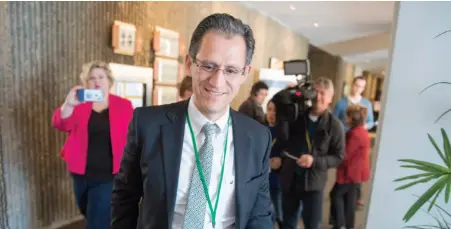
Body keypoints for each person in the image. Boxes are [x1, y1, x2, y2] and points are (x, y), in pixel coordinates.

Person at [111, 13, 273, 229]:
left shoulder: (258, 138)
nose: (217, 81)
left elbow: (259, 214)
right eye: (208, 65)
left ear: (244, 74)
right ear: (189, 64)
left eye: (231, 70)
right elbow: (124, 197)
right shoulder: (148, 125)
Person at [51, 61, 134, 229]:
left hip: (109, 176)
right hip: (80, 173)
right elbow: (60, 124)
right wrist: (68, 104)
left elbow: (133, 136)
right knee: (88, 211)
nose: (97, 81)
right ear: (86, 82)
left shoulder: (123, 105)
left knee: (97, 219)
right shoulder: (79, 104)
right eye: (92, 78)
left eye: (101, 77)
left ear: (109, 81)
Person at [279, 77, 345, 229]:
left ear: (330, 98)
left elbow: (338, 157)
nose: (318, 97)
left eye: (322, 93)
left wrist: (314, 161)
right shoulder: (297, 115)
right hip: (291, 179)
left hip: (313, 184)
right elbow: (282, 131)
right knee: (287, 223)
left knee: (312, 225)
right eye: (315, 92)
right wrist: (289, 95)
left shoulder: (335, 126)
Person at [333, 76, 374, 208]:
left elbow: (371, 121)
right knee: (344, 166)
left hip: (358, 139)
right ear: (352, 84)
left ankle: (356, 196)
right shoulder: (341, 103)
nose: (358, 88)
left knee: (356, 167)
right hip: (343, 137)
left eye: (362, 86)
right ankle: (344, 193)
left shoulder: (367, 104)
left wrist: (360, 128)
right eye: (356, 85)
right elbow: (334, 120)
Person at [330, 104, 371, 229]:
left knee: (335, 195)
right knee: (350, 202)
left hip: (349, 173)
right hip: (356, 174)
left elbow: (345, 154)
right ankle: (347, 225)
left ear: (351, 118)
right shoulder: (362, 132)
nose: (345, 119)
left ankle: (340, 224)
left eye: (347, 116)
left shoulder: (354, 134)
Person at [266, 100, 283, 227]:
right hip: (263, 180)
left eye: (275, 110)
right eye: (269, 109)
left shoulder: (284, 133)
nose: (272, 113)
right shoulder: (261, 130)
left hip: (278, 181)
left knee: (280, 214)